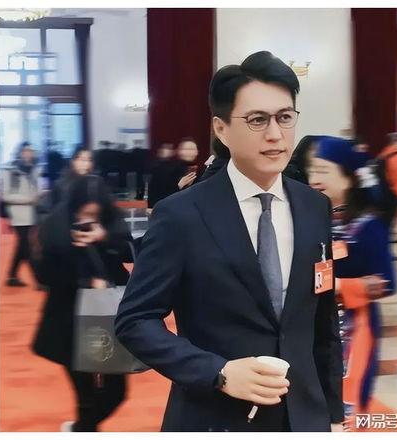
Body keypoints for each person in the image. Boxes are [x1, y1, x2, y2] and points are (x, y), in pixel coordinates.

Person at [115, 51, 344, 432]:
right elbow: (135, 321)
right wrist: (217, 372)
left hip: (304, 417)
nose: (275, 134)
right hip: (214, 417)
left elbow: (323, 323)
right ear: (221, 129)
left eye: (285, 117)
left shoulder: (314, 207)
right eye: (257, 120)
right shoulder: (182, 214)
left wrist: (334, 415)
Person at [308, 136, 397, 428]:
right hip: (311, 323)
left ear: (348, 178)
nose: (314, 177)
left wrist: (338, 287)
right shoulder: (312, 219)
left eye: (323, 170)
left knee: (347, 405)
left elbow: (388, 281)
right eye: (312, 169)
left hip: (353, 328)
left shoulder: (368, 226)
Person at [32, 175, 133, 432]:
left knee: (117, 392)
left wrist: (104, 237)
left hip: (106, 317)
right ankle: (84, 428)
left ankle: (80, 429)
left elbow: (130, 251)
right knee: (85, 397)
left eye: (94, 214)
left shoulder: (111, 223)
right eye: (83, 213)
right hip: (69, 321)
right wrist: (83, 278)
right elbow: (43, 275)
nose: (87, 219)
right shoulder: (55, 227)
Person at [2, 142, 41, 287]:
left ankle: (12, 276)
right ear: (19, 152)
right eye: (25, 150)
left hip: (32, 214)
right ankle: (39, 279)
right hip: (18, 214)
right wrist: (27, 199)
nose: (28, 153)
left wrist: (39, 195)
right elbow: (5, 195)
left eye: (31, 150)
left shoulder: (35, 169)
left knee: (22, 245)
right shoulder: (10, 171)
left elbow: (36, 191)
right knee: (26, 246)